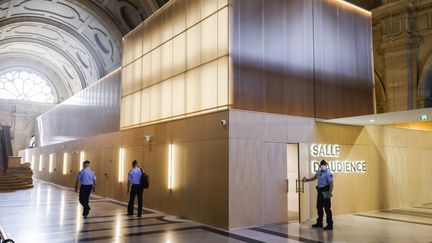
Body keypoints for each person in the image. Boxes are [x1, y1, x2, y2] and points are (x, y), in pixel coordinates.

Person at [302, 160, 334, 230]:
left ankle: (330, 224)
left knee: (327, 208)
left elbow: (331, 184)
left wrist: (329, 193)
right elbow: (314, 178)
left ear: (326, 165)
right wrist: (307, 180)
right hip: (319, 191)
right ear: (320, 166)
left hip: (326, 191)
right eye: (322, 165)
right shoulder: (318, 172)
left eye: (324, 164)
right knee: (319, 207)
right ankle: (319, 223)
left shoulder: (329, 173)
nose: (323, 166)